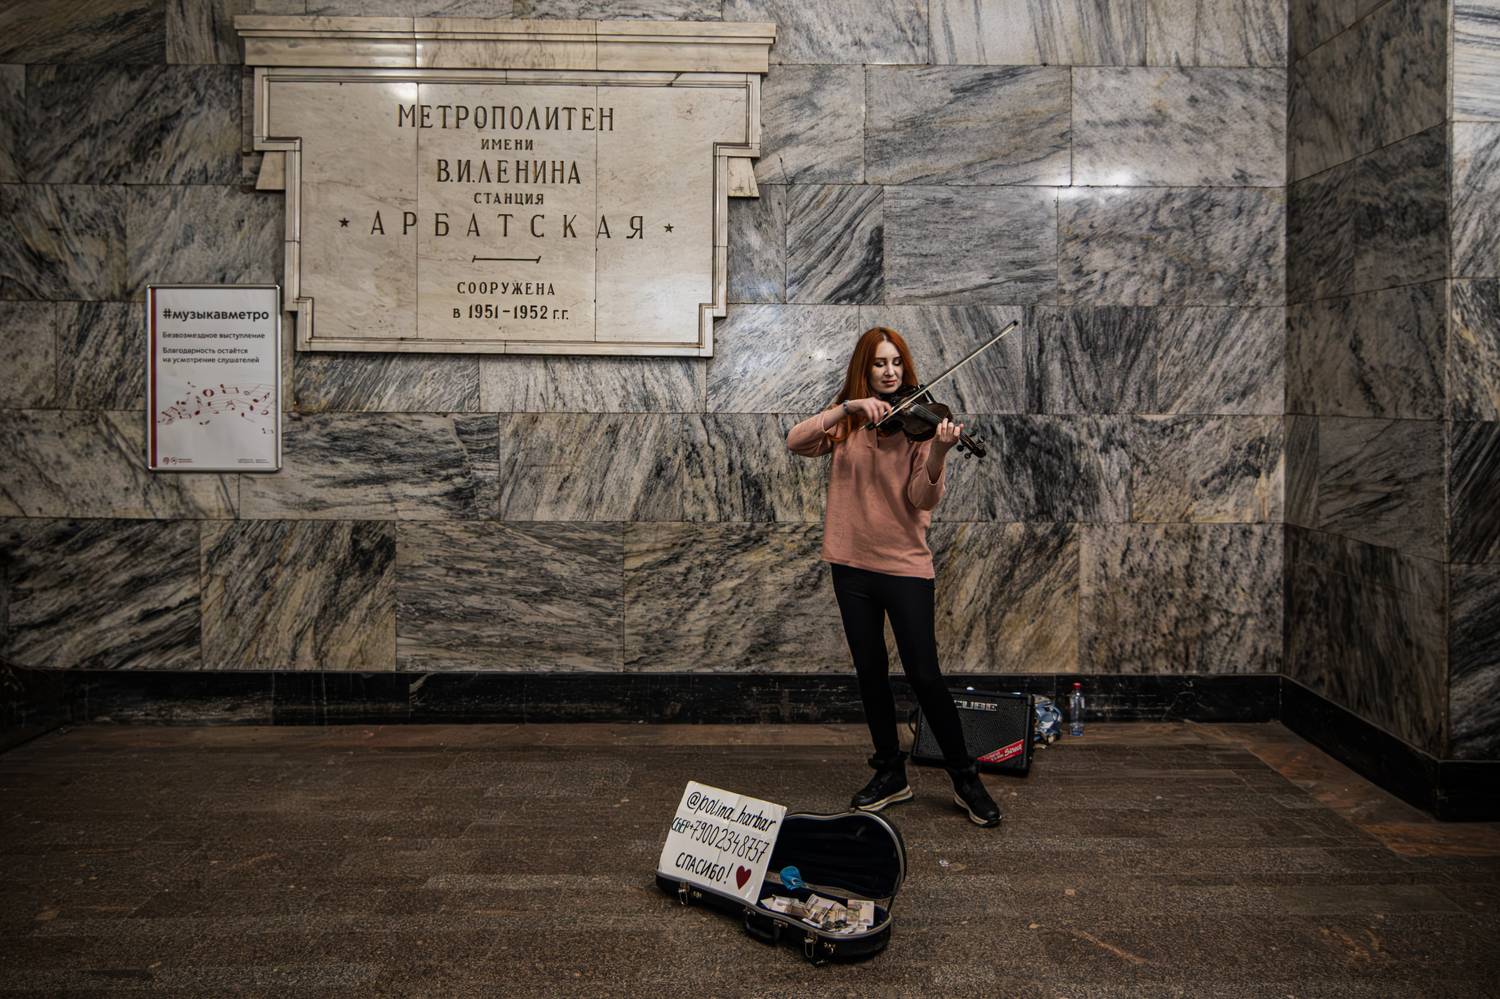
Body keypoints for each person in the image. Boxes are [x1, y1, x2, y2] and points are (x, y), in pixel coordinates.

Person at [786, 326, 1001, 828]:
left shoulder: (920, 424)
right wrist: (847, 407)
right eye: (880, 363)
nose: (890, 372)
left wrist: (940, 452)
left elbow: (921, 499)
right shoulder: (848, 421)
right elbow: (796, 441)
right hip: (850, 564)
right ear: (866, 368)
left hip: (904, 565)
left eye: (897, 363)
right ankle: (889, 771)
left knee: (924, 674)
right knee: (870, 671)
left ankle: (965, 778)